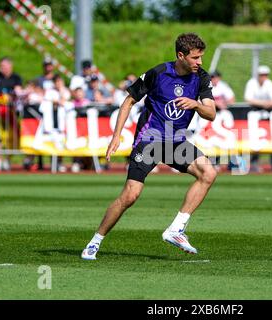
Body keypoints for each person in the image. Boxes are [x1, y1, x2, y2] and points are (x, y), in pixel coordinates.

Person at [81, 33, 216, 260]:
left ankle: (176, 229)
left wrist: (195, 104)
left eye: (201, 57)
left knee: (209, 173)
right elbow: (129, 101)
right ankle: (94, 242)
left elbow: (211, 113)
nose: (200, 62)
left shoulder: (201, 77)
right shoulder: (158, 73)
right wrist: (116, 136)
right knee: (131, 196)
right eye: (195, 58)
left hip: (175, 142)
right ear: (180, 56)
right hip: (149, 141)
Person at [244, 65, 272, 173]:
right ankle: (251, 163)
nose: (263, 77)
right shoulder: (251, 83)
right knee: (252, 138)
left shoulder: (269, 84)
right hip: (254, 113)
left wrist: (265, 104)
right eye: (261, 75)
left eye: (265, 75)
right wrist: (264, 103)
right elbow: (248, 99)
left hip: (269, 114)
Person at [0, 56, 23, 171]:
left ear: (10, 66)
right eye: (1, 66)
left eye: (4, 66)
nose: (2, 68)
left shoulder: (16, 78)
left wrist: (11, 97)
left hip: (11, 112)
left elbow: (18, 91)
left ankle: (8, 159)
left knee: (11, 136)